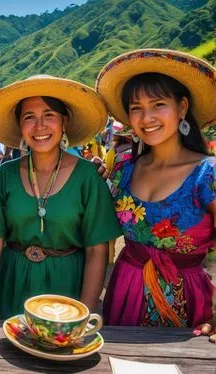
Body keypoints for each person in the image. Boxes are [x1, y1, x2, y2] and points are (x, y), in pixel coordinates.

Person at [0, 75, 122, 322]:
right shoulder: (4, 175)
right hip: (12, 281)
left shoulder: (88, 177)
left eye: (49, 115)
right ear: (20, 125)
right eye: (29, 117)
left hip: (68, 284)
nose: (39, 127)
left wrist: (87, 308)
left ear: (64, 121)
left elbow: (96, 250)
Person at [96, 49, 215, 336]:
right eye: (136, 107)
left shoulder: (207, 174)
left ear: (182, 107)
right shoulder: (123, 168)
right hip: (125, 291)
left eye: (158, 104)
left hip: (186, 301)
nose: (146, 117)